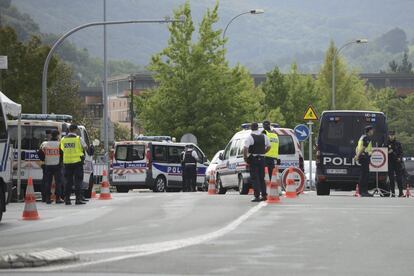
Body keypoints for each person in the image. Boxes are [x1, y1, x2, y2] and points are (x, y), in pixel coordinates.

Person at [60, 124, 87, 205]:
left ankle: (67, 199)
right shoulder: (79, 139)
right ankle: (78, 199)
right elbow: (85, 147)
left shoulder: (63, 139)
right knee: (78, 181)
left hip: (67, 163)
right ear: (75, 130)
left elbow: (62, 149)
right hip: (77, 162)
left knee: (68, 182)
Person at [244, 122, 271, 202]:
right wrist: (264, 152)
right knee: (262, 177)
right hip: (262, 159)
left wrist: (245, 158)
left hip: (254, 159)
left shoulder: (250, 137)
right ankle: (264, 195)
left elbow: (245, 148)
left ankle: (257, 196)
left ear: (251, 128)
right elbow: (269, 146)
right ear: (257, 128)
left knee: (255, 177)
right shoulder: (264, 136)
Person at [39, 130, 63, 204]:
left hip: (48, 165)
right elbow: (62, 154)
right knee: (58, 182)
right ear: (57, 136)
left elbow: (40, 153)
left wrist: (43, 159)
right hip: (57, 165)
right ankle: (58, 198)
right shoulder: (59, 144)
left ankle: (47, 199)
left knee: (48, 182)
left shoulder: (45, 144)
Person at [355, 125, 374, 197]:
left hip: (363, 157)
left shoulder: (362, 137)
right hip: (364, 157)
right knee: (365, 175)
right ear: (369, 131)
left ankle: (361, 191)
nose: (373, 131)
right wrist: (357, 156)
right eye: (372, 130)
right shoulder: (366, 138)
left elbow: (358, 147)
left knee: (363, 174)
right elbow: (363, 147)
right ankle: (364, 191)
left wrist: (357, 155)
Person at [387, 130, 404, 197]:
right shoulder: (386, 143)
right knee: (391, 178)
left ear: (394, 135)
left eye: (393, 135)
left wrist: (400, 158)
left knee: (399, 178)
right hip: (390, 162)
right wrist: (388, 152)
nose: (391, 136)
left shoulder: (398, 143)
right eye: (390, 135)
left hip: (397, 162)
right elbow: (383, 153)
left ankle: (401, 192)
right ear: (389, 135)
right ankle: (393, 192)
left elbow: (401, 152)